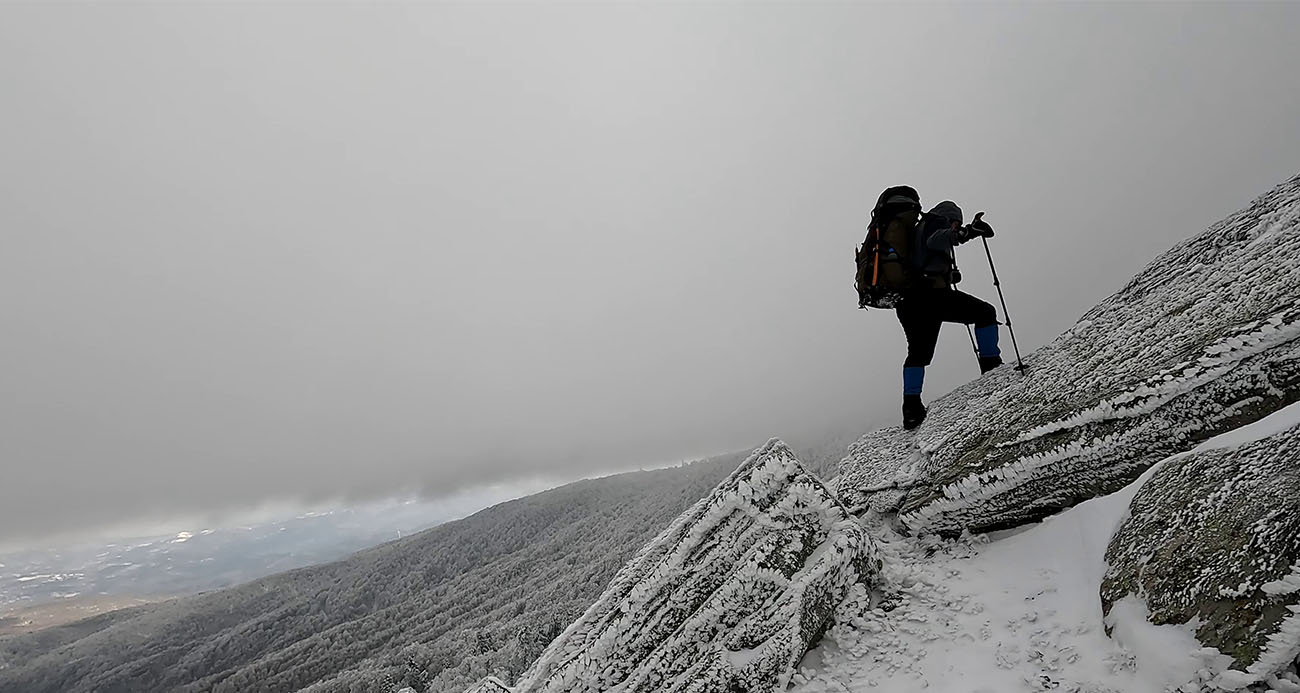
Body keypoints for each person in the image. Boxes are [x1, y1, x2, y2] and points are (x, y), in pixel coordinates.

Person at [893, 199, 1001, 429]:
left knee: (918, 353)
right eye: (956, 223)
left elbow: (923, 258)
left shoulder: (915, 232)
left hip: (907, 303)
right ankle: (992, 367)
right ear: (951, 218)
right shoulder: (935, 223)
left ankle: (911, 408)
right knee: (985, 313)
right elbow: (938, 238)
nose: (955, 226)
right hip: (931, 298)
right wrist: (968, 232)